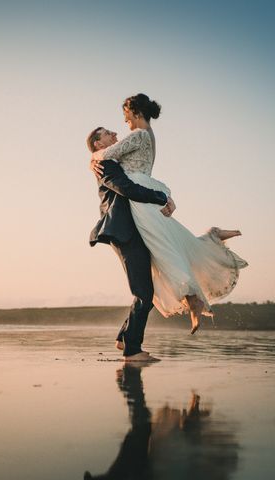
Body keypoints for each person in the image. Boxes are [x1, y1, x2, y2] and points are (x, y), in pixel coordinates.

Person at [90, 94, 248, 334]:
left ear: (134, 112)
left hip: (140, 198)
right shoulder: (148, 135)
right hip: (144, 194)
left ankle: (193, 297)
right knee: (174, 242)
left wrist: (92, 158)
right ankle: (211, 241)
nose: (123, 122)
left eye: (125, 115)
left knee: (165, 248)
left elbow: (106, 154)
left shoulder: (139, 135)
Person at [87, 127, 175, 361]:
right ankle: (133, 350)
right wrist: (160, 197)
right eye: (107, 133)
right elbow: (125, 188)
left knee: (147, 291)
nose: (114, 133)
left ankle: (124, 338)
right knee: (144, 292)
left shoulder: (105, 162)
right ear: (98, 143)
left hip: (130, 231)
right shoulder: (105, 164)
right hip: (123, 231)